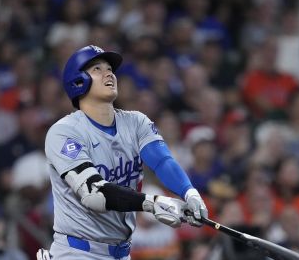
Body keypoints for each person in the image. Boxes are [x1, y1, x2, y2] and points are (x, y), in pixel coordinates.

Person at [38, 45, 208, 260]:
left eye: (110, 69)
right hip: (77, 251)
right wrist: (152, 203)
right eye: (97, 69)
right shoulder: (64, 132)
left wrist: (189, 192)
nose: (108, 73)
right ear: (78, 81)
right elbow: (95, 195)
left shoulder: (136, 122)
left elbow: (162, 162)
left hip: (122, 252)